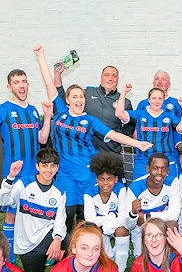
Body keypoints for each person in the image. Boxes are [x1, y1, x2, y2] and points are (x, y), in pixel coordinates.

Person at [33, 45, 151, 233]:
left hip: (87, 173)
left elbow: (113, 135)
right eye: (74, 96)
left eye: (81, 96)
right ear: (68, 100)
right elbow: (49, 83)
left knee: (85, 217)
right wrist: (41, 56)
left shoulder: (90, 120)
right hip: (64, 173)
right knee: (66, 213)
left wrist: (138, 143)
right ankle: (64, 251)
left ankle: (87, 251)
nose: (79, 99)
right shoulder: (61, 113)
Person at [0, 69, 52, 263]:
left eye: (24, 81)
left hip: (36, 174)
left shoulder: (33, 110)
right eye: (16, 82)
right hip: (15, 174)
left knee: (38, 214)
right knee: (11, 216)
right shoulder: (2, 109)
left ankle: (38, 254)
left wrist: (47, 117)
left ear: (28, 84)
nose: (21, 85)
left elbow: (42, 138)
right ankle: (9, 260)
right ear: (9, 87)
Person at [0, 148, 67, 272]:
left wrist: (57, 240)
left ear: (57, 168)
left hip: (47, 234)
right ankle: (43, 259)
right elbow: (3, 202)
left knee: (72, 242)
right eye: (44, 165)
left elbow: (60, 220)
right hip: (27, 242)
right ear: (37, 166)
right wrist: (10, 177)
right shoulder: (24, 184)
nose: (49, 170)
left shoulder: (59, 191)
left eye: (53, 166)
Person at [54, 64, 136, 154]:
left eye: (114, 76)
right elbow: (62, 99)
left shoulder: (125, 102)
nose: (110, 78)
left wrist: (115, 137)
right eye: (107, 75)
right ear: (101, 77)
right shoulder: (88, 93)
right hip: (87, 151)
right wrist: (57, 75)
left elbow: (131, 126)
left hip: (111, 153)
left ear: (118, 79)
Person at [116, 83, 182, 179]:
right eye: (154, 98)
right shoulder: (140, 114)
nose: (157, 101)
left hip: (167, 159)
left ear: (163, 101)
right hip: (143, 159)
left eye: (160, 99)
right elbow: (119, 113)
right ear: (149, 100)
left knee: (169, 190)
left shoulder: (169, 116)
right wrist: (124, 92)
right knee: (141, 189)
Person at [125, 153, 182, 258]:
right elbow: (129, 225)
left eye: (163, 169)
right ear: (148, 169)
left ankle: (168, 259)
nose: (159, 173)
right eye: (155, 168)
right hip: (141, 230)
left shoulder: (173, 182)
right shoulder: (135, 188)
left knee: (172, 225)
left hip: (161, 225)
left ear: (168, 171)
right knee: (143, 259)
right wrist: (133, 213)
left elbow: (174, 215)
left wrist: (146, 217)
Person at [84, 152, 132, 272]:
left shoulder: (120, 189)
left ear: (116, 179)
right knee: (96, 230)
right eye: (102, 179)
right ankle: (112, 256)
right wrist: (112, 216)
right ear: (97, 179)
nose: (105, 183)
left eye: (109, 179)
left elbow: (123, 216)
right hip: (100, 227)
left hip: (114, 226)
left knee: (122, 230)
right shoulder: (89, 193)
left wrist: (109, 224)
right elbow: (90, 219)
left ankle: (120, 269)